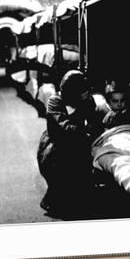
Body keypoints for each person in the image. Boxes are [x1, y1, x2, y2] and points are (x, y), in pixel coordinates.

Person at [37, 70, 104, 217]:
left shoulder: (86, 100)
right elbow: (64, 127)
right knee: (61, 164)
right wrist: (85, 129)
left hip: (78, 140)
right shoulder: (55, 101)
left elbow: (93, 121)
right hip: (56, 143)